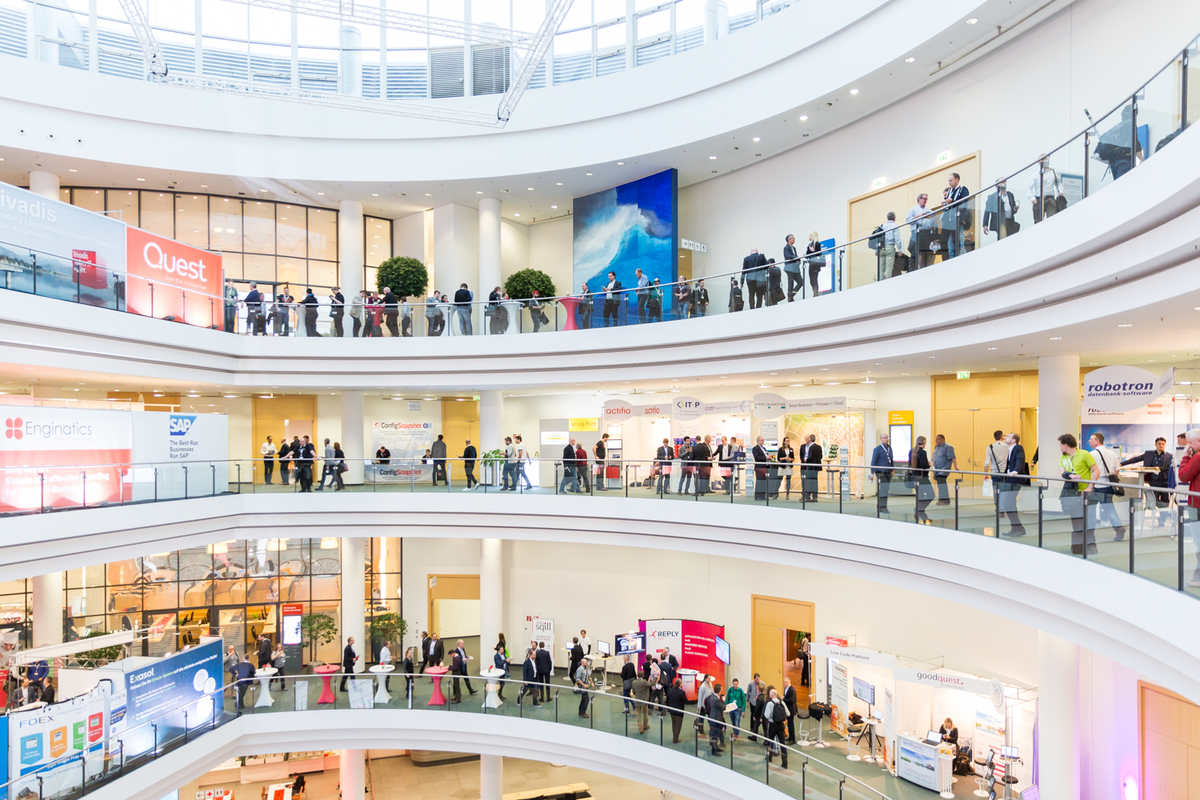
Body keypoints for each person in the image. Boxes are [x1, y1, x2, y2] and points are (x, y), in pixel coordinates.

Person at [1059, 433, 1100, 555]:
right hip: (1071, 493)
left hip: (1084, 493)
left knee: (1089, 520)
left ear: (1066, 445)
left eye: (1061, 445)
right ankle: (1078, 546)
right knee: (1076, 520)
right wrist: (1070, 475)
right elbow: (1062, 473)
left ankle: (1091, 545)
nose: (1060, 447)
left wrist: (1089, 487)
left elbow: (1096, 471)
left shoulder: (1084, 454)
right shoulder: (1063, 457)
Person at [1089, 432, 1129, 542]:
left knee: (1090, 510)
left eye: (1091, 439)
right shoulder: (1112, 454)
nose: (1089, 441)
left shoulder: (1092, 454)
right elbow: (1116, 471)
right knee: (1109, 508)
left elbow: (1089, 470)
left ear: (1097, 441)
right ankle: (1118, 528)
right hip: (1108, 486)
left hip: (1096, 485)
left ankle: (1089, 532)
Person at [1121, 437, 1173, 522]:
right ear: (1155, 444)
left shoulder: (1169, 456)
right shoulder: (1149, 454)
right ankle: (1167, 512)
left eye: (1163, 444)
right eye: (1159, 444)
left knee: (1165, 500)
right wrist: (1121, 464)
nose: (1161, 446)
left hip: (1164, 482)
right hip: (1153, 482)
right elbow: (1135, 459)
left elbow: (1170, 467)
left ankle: (1162, 520)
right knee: (1155, 500)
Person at [1177, 429, 1200, 586]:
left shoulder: (1197, 457)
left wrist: (1185, 457)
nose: (1189, 446)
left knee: (1199, 541)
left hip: (1197, 504)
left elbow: (1183, 476)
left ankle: (1198, 577)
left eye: (1191, 443)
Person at [997, 432, 1030, 536]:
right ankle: (1016, 528)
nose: (1005, 438)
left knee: (1009, 504)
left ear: (1014, 440)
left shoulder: (1018, 448)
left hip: (1015, 480)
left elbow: (1020, 460)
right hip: (1010, 480)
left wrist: (1016, 471)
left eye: (1008, 437)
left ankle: (1018, 528)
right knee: (1009, 504)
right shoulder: (1010, 449)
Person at [1097, 106, 1143, 181]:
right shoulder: (1130, 125)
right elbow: (1135, 143)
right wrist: (1142, 159)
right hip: (1125, 160)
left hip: (1114, 161)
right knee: (1124, 185)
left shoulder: (1118, 126)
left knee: (1118, 183)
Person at [939, 173, 971, 260]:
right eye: (948, 181)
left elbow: (964, 202)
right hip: (947, 219)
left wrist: (952, 201)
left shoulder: (963, 189)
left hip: (956, 218)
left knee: (955, 240)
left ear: (957, 180)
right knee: (943, 240)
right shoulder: (950, 191)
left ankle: (957, 259)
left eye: (951, 180)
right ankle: (946, 260)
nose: (949, 183)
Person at [906, 195, 937, 270]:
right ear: (919, 199)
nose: (925, 200)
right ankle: (912, 269)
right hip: (917, 232)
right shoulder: (913, 210)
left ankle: (925, 268)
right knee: (915, 251)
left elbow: (934, 223)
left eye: (926, 199)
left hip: (927, 232)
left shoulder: (929, 210)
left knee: (926, 252)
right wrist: (919, 216)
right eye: (924, 199)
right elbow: (908, 221)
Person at [910, 436, 933, 524]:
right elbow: (923, 466)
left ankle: (923, 516)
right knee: (931, 495)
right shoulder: (923, 452)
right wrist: (929, 464)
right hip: (922, 478)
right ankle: (917, 509)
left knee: (920, 496)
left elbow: (911, 464)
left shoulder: (912, 451)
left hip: (914, 477)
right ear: (923, 443)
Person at [764, 687, 788, 768]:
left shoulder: (770, 704)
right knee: (782, 744)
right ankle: (785, 762)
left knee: (770, 742)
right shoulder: (782, 703)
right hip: (781, 725)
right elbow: (788, 714)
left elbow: (766, 715)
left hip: (772, 725)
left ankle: (769, 757)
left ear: (771, 695)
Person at [871, 433, 895, 512]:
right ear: (881, 439)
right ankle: (882, 507)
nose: (886, 439)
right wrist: (872, 473)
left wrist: (892, 469)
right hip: (880, 472)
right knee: (883, 489)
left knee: (886, 489)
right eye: (884, 438)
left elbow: (891, 459)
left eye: (887, 438)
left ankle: (881, 506)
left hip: (888, 471)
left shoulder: (889, 448)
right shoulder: (877, 449)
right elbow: (873, 461)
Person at [931, 434, 957, 505]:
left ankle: (944, 500)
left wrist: (955, 466)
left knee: (942, 484)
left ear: (943, 439)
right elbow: (935, 457)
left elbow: (953, 457)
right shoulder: (936, 447)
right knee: (940, 484)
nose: (936, 440)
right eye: (936, 439)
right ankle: (944, 499)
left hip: (944, 468)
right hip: (936, 469)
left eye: (938, 439)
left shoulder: (948, 447)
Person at [880, 211, 903, 277]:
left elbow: (878, 238)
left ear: (887, 218)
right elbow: (897, 238)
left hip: (881, 248)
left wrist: (876, 250)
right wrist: (900, 249)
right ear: (894, 218)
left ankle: (880, 281)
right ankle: (887, 281)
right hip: (889, 247)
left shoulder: (882, 226)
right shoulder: (894, 226)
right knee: (889, 266)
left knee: (881, 267)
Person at [799, 434, 822, 502]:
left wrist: (806, 460)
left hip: (810, 467)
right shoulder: (819, 447)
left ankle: (808, 496)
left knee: (809, 482)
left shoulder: (811, 447)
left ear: (810, 439)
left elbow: (810, 457)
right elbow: (821, 456)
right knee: (814, 481)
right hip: (815, 467)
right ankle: (814, 496)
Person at [706, 682, 726, 754]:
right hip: (716, 720)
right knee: (714, 735)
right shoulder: (716, 699)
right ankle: (714, 750)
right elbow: (723, 707)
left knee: (716, 734)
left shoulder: (711, 697)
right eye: (721, 690)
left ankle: (716, 747)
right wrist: (724, 700)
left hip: (713, 718)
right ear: (719, 691)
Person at [783, 234, 803, 301]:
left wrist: (798, 259)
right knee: (791, 283)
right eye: (793, 238)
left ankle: (791, 295)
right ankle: (790, 297)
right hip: (790, 268)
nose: (794, 239)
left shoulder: (794, 248)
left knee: (800, 282)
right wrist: (796, 258)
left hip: (795, 268)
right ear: (789, 240)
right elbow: (788, 256)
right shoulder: (786, 248)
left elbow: (795, 256)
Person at [803, 232, 824, 297]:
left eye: (810, 235)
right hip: (811, 263)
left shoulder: (817, 244)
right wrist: (806, 255)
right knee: (811, 280)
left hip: (815, 264)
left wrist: (813, 251)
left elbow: (819, 254)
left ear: (813, 236)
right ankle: (815, 293)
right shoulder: (810, 244)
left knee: (814, 279)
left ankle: (816, 294)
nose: (809, 236)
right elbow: (808, 255)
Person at [752, 435, 770, 501]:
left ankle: (763, 496)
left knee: (764, 482)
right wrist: (766, 458)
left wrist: (769, 458)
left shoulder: (764, 448)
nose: (763, 441)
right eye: (762, 440)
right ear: (758, 441)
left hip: (765, 467)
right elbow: (757, 458)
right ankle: (758, 496)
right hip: (760, 468)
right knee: (759, 482)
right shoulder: (755, 448)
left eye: (763, 440)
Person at [747, 673, 765, 741]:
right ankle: (752, 728)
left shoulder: (763, 683)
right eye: (757, 679)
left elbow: (765, 691)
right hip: (753, 702)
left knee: (758, 716)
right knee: (753, 715)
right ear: (754, 679)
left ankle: (755, 729)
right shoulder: (751, 684)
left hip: (759, 703)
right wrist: (747, 701)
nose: (759, 680)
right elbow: (748, 692)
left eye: (759, 678)